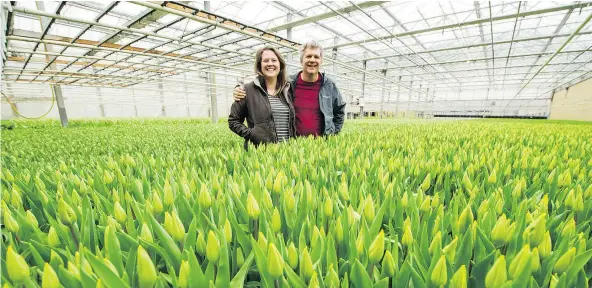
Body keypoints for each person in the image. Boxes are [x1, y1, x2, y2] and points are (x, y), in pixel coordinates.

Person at [233, 41, 346, 137]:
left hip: (322, 146)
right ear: (301, 60)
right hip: (295, 145)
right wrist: (239, 89)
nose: (312, 60)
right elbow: (267, 82)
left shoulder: (329, 85)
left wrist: (333, 133)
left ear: (321, 61)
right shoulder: (288, 83)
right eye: (308, 56)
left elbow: (339, 111)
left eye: (316, 57)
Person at [228, 46, 296, 150]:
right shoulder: (247, 90)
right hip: (261, 153)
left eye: (274, 60)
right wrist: (252, 134)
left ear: (280, 65)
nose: (270, 64)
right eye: (265, 61)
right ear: (259, 65)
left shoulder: (287, 89)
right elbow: (233, 121)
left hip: (286, 154)